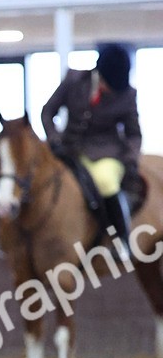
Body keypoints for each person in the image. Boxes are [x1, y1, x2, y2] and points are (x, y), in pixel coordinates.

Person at [41, 43, 141, 256]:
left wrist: (131, 159)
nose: (108, 90)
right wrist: (55, 139)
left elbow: (133, 133)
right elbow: (48, 112)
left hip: (106, 154)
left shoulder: (128, 94)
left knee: (105, 181)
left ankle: (121, 239)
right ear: (98, 73)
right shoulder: (74, 80)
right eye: (106, 83)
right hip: (68, 151)